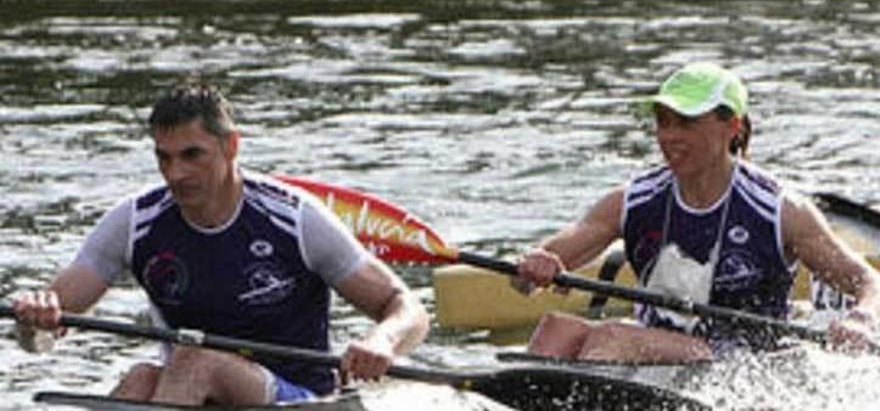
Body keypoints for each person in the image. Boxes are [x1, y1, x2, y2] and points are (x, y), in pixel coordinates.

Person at [12, 82, 430, 405]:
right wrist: (32, 324)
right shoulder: (135, 222)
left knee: (196, 360)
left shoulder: (295, 218)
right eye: (164, 158)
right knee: (141, 379)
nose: (175, 174)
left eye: (192, 155)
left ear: (231, 147)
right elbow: (41, 342)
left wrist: (382, 341)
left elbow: (407, 307)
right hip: (194, 395)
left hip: (300, 398)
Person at [515, 62, 880, 363]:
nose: (668, 136)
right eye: (663, 122)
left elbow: (868, 283)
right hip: (657, 347)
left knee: (612, 337)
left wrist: (862, 318)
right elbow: (524, 281)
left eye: (685, 123)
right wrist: (535, 266)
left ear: (731, 127)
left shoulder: (781, 211)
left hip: (741, 364)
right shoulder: (633, 200)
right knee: (555, 329)